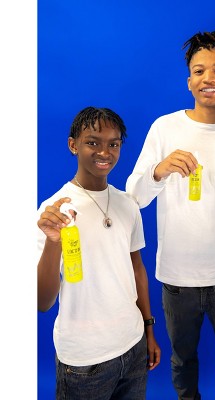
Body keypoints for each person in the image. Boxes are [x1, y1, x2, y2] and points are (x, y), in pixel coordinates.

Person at [125, 31, 215, 400]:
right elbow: (134, 197)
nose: (209, 78)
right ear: (189, 81)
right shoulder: (165, 128)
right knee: (182, 358)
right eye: (199, 70)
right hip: (177, 275)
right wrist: (159, 170)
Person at [37, 106, 161, 400]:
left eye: (113, 144)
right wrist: (54, 242)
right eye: (92, 142)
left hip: (132, 345)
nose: (105, 152)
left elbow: (137, 270)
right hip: (84, 361)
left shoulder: (127, 204)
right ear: (73, 145)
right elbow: (42, 301)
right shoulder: (54, 211)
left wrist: (148, 329)